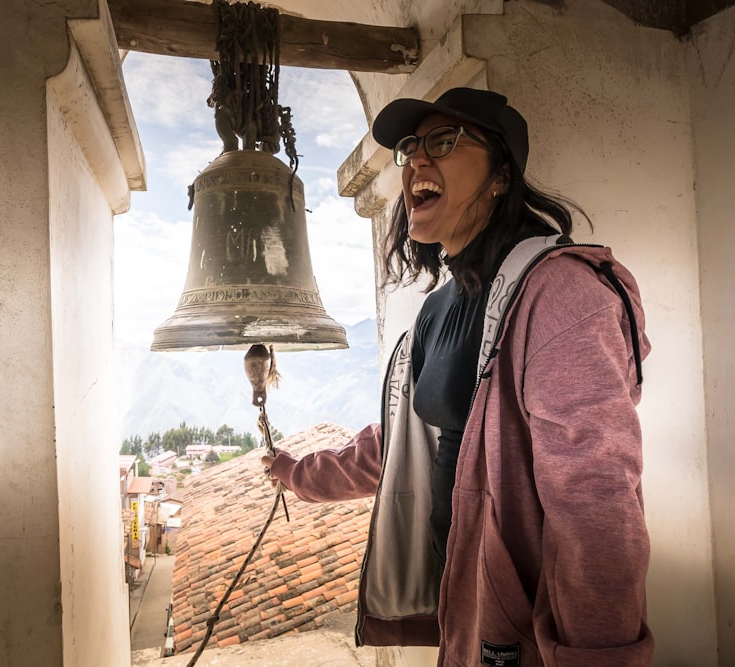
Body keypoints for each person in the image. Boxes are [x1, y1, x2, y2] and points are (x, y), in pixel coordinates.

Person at [261, 87, 653, 666]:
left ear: (501, 175)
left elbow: (594, 505)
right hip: (463, 604)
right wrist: (299, 474)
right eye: (411, 148)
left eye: (444, 142)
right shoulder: (437, 310)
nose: (417, 159)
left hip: (526, 628)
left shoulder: (562, 297)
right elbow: (400, 446)